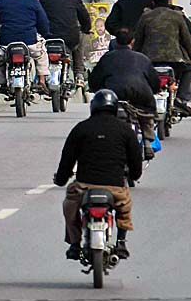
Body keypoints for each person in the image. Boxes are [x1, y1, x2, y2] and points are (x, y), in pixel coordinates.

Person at [54, 89, 141, 262]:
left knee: (69, 207)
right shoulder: (125, 130)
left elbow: (67, 159)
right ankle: (121, 242)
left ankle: (74, 244)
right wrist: (134, 175)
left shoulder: (81, 128)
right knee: (124, 209)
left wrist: (61, 180)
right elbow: (136, 160)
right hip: (115, 186)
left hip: (84, 186)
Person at [88, 28, 158, 157]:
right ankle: (148, 140)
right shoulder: (142, 58)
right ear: (132, 41)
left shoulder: (107, 58)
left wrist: (97, 89)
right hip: (141, 94)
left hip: (114, 95)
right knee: (147, 114)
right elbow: (154, 82)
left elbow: (94, 80)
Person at [132, 0, 191, 116]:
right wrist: (190, 56)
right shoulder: (177, 16)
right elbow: (186, 40)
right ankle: (181, 99)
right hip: (174, 60)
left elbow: (138, 40)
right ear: (170, 1)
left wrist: (136, 56)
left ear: (153, 2)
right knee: (190, 67)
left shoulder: (145, 17)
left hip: (149, 60)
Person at [0, 0, 52, 91]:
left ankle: (2, 81)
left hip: (6, 44)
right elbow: (42, 21)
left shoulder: (0, 1)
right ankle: (41, 79)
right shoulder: (33, 0)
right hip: (30, 43)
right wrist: (45, 33)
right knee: (41, 55)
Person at [39, 0, 92, 82]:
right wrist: (86, 29)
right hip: (70, 38)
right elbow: (84, 17)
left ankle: (40, 76)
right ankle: (79, 74)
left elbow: (40, 18)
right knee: (80, 39)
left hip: (50, 37)